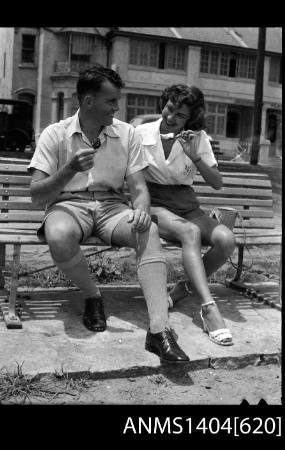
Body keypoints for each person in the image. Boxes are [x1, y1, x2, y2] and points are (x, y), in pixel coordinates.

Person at [28, 66, 189, 363]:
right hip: (69, 204)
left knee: (148, 230)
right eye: (111, 101)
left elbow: (138, 187)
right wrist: (69, 170)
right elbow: (38, 194)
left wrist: (141, 209)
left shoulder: (126, 134)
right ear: (88, 102)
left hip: (112, 207)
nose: (117, 107)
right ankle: (93, 295)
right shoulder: (56, 134)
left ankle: (158, 330)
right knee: (59, 235)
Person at [135, 84, 236, 346]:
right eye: (170, 108)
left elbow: (217, 183)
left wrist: (194, 155)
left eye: (180, 115)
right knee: (189, 232)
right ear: (164, 103)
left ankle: (183, 288)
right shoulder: (140, 132)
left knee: (226, 239)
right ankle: (209, 308)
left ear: (189, 118)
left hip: (186, 204)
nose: (171, 117)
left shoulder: (198, 138)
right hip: (154, 202)